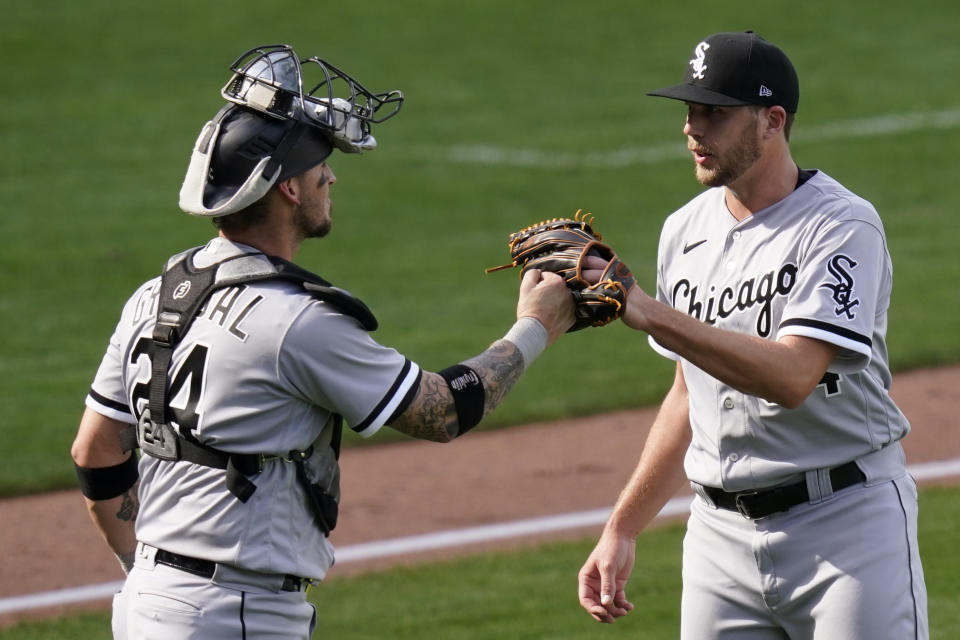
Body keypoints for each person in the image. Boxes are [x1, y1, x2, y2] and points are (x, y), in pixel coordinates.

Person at [70, 44, 574, 639]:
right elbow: (440, 411)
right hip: (234, 613)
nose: (331, 177)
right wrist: (538, 325)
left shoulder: (153, 296)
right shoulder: (297, 322)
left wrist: (144, 573)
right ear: (287, 189)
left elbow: (96, 450)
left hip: (144, 604)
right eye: (319, 168)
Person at [576, 31, 928, 638]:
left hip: (846, 529)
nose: (692, 128)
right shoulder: (683, 231)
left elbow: (793, 376)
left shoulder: (840, 226)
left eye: (714, 112)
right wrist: (623, 526)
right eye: (690, 110)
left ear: (772, 120)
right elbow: (690, 395)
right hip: (718, 540)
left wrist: (646, 309)